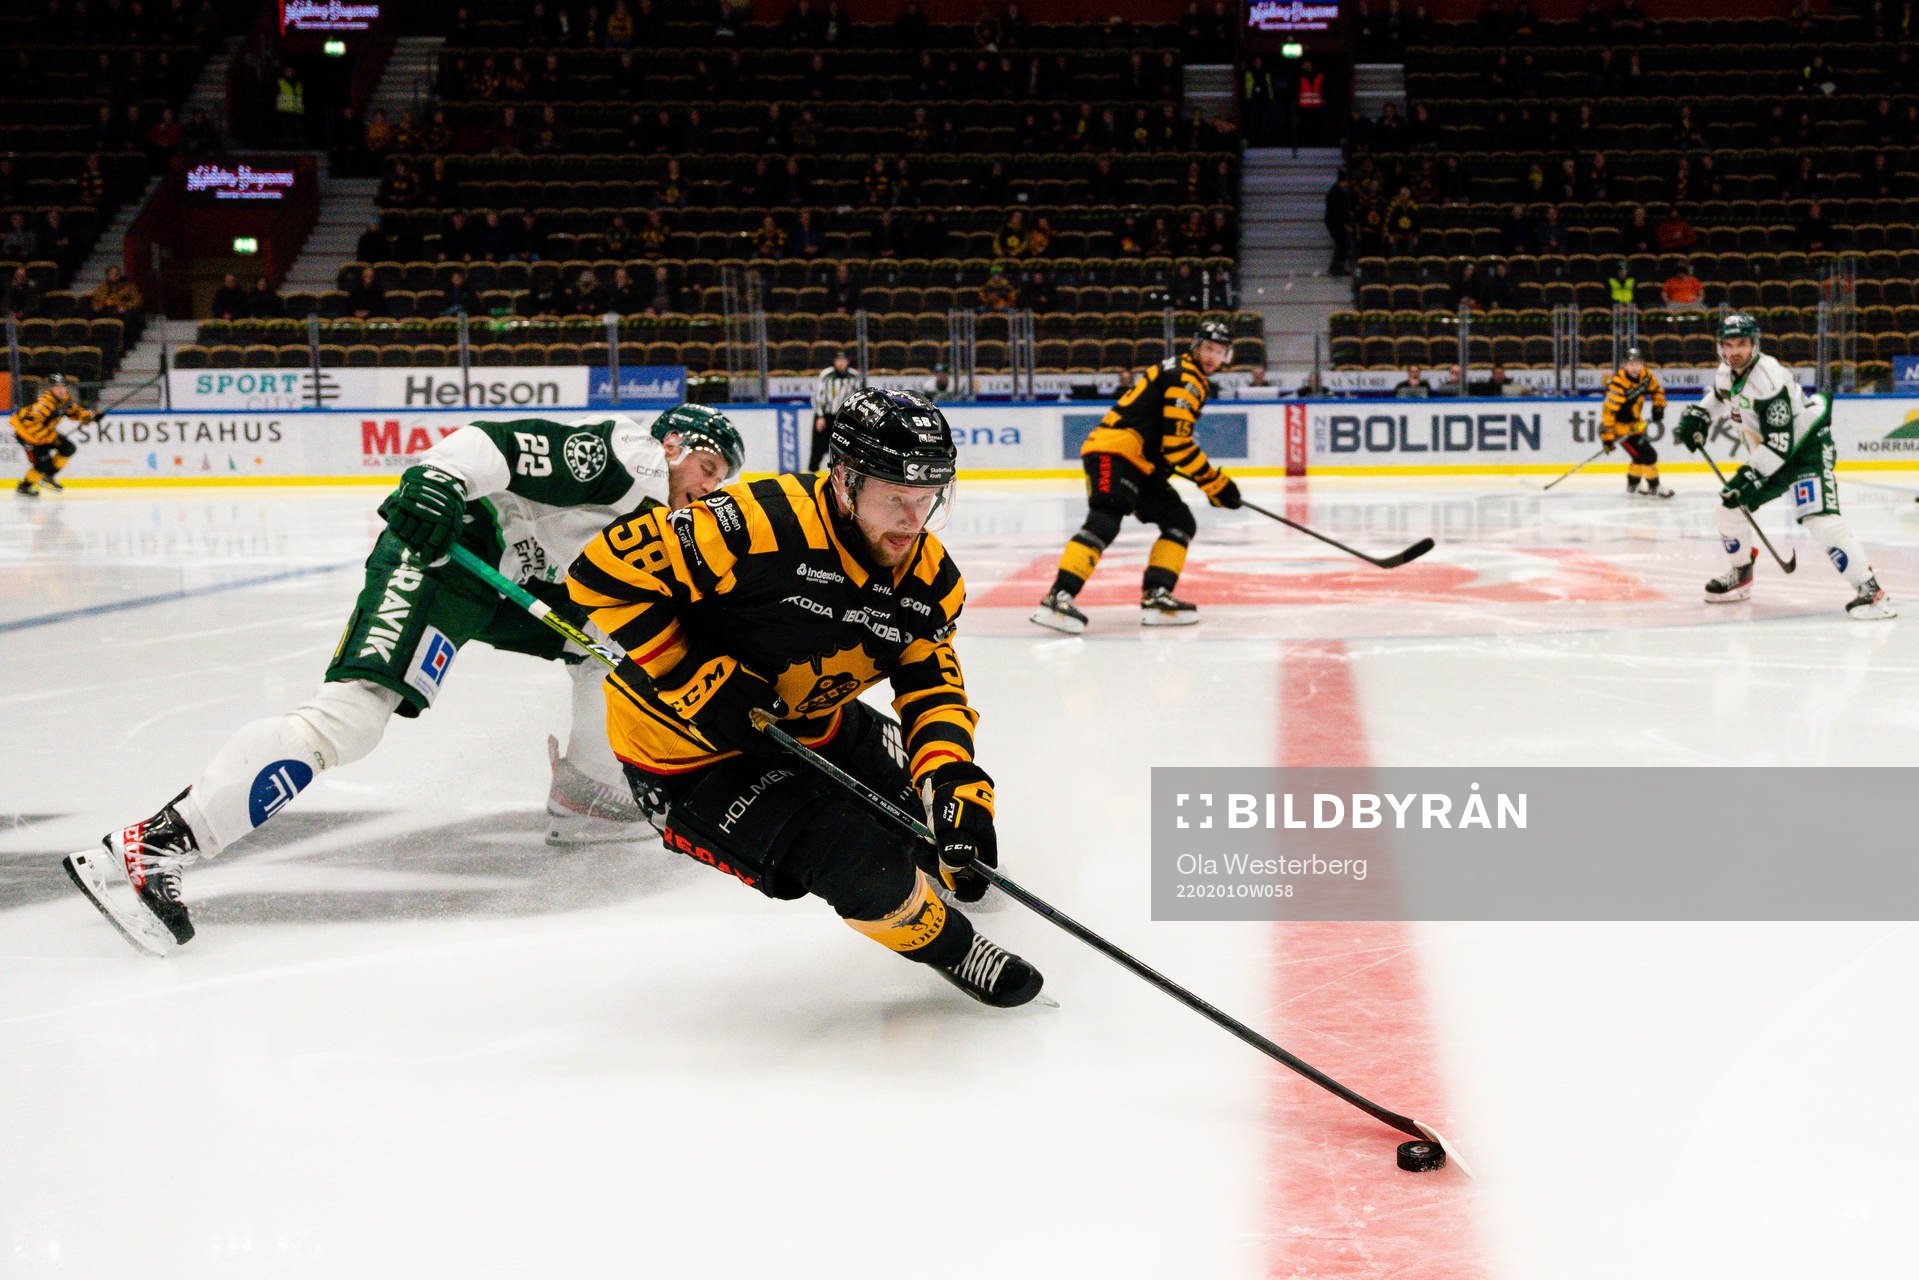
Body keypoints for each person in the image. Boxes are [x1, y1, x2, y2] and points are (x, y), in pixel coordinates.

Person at [62, 407, 747, 955]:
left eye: (723, 480)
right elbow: (499, 443)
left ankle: (588, 795)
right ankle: (153, 843)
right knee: (350, 721)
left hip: (505, 580)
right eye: (707, 465)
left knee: (611, 652)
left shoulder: (662, 521)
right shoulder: (627, 459)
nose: (708, 486)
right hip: (447, 548)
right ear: (673, 443)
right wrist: (441, 478)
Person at [564, 389, 1044, 1008]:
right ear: (845, 481)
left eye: (928, 498)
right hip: (687, 759)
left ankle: (941, 870)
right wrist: (689, 673)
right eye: (895, 496)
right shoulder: (759, 522)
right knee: (856, 856)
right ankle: (953, 947)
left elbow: (932, 686)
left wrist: (955, 780)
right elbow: (599, 572)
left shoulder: (932, 581)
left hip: (812, 721)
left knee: (945, 828)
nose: (912, 519)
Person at [1672, 314, 1893, 619]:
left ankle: (1872, 592)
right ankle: (1741, 573)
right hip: (1773, 454)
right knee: (1728, 510)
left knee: (1819, 518)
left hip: (1806, 450)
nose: (1735, 351)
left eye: (1742, 344)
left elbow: (1780, 442)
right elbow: (1722, 395)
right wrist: (1701, 413)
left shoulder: (1769, 380)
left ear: (1754, 344)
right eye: (1729, 344)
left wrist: (1748, 476)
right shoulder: (1727, 371)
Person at [1030, 320, 1241, 633]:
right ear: (1196, 347)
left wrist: (1211, 483)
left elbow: (1166, 445)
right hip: (1116, 452)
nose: (1212, 356)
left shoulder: (1185, 372)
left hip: (1139, 461)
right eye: (1209, 348)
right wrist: (1217, 484)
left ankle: (1157, 595)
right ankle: (1058, 597)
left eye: (1219, 351)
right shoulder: (1188, 379)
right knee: (1107, 515)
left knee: (1179, 521)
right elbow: (1178, 447)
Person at [1600, 346, 1671, 498]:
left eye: (1638, 363)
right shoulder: (1618, 384)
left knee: (1639, 457)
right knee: (1649, 455)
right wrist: (1607, 438)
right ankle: (1654, 486)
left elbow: (1657, 391)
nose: (1635, 367)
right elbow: (1609, 412)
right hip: (1620, 430)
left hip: (1636, 426)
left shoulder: (1646, 376)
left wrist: (1659, 407)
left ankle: (1633, 485)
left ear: (1643, 364)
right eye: (1631, 364)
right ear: (1624, 365)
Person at [12, 373, 94, 498]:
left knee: (68, 448)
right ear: (51, 389)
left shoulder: (65, 400)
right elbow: (30, 426)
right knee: (43, 465)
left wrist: (86, 416)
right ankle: (24, 487)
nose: (61, 390)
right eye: (57, 387)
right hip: (28, 436)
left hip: (44, 433)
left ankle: (48, 476)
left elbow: (74, 412)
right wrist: (47, 438)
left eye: (63, 386)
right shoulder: (43, 404)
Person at [810, 350, 861, 470]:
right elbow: (818, 395)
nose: (841, 363)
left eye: (843, 361)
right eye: (838, 361)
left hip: (844, 417)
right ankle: (812, 472)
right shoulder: (826, 374)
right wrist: (820, 416)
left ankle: (845, 471)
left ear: (847, 362)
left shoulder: (854, 376)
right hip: (826, 415)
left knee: (845, 445)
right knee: (818, 446)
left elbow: (857, 396)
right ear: (834, 362)